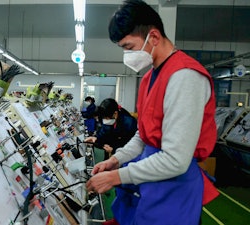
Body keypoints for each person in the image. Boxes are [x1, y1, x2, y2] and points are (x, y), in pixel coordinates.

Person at [86, 1, 218, 225]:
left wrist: (117, 177)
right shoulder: (149, 78)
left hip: (173, 188)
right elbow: (143, 135)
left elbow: (176, 160)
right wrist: (117, 159)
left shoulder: (185, 77)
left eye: (129, 47)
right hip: (152, 178)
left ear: (154, 37)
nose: (127, 55)